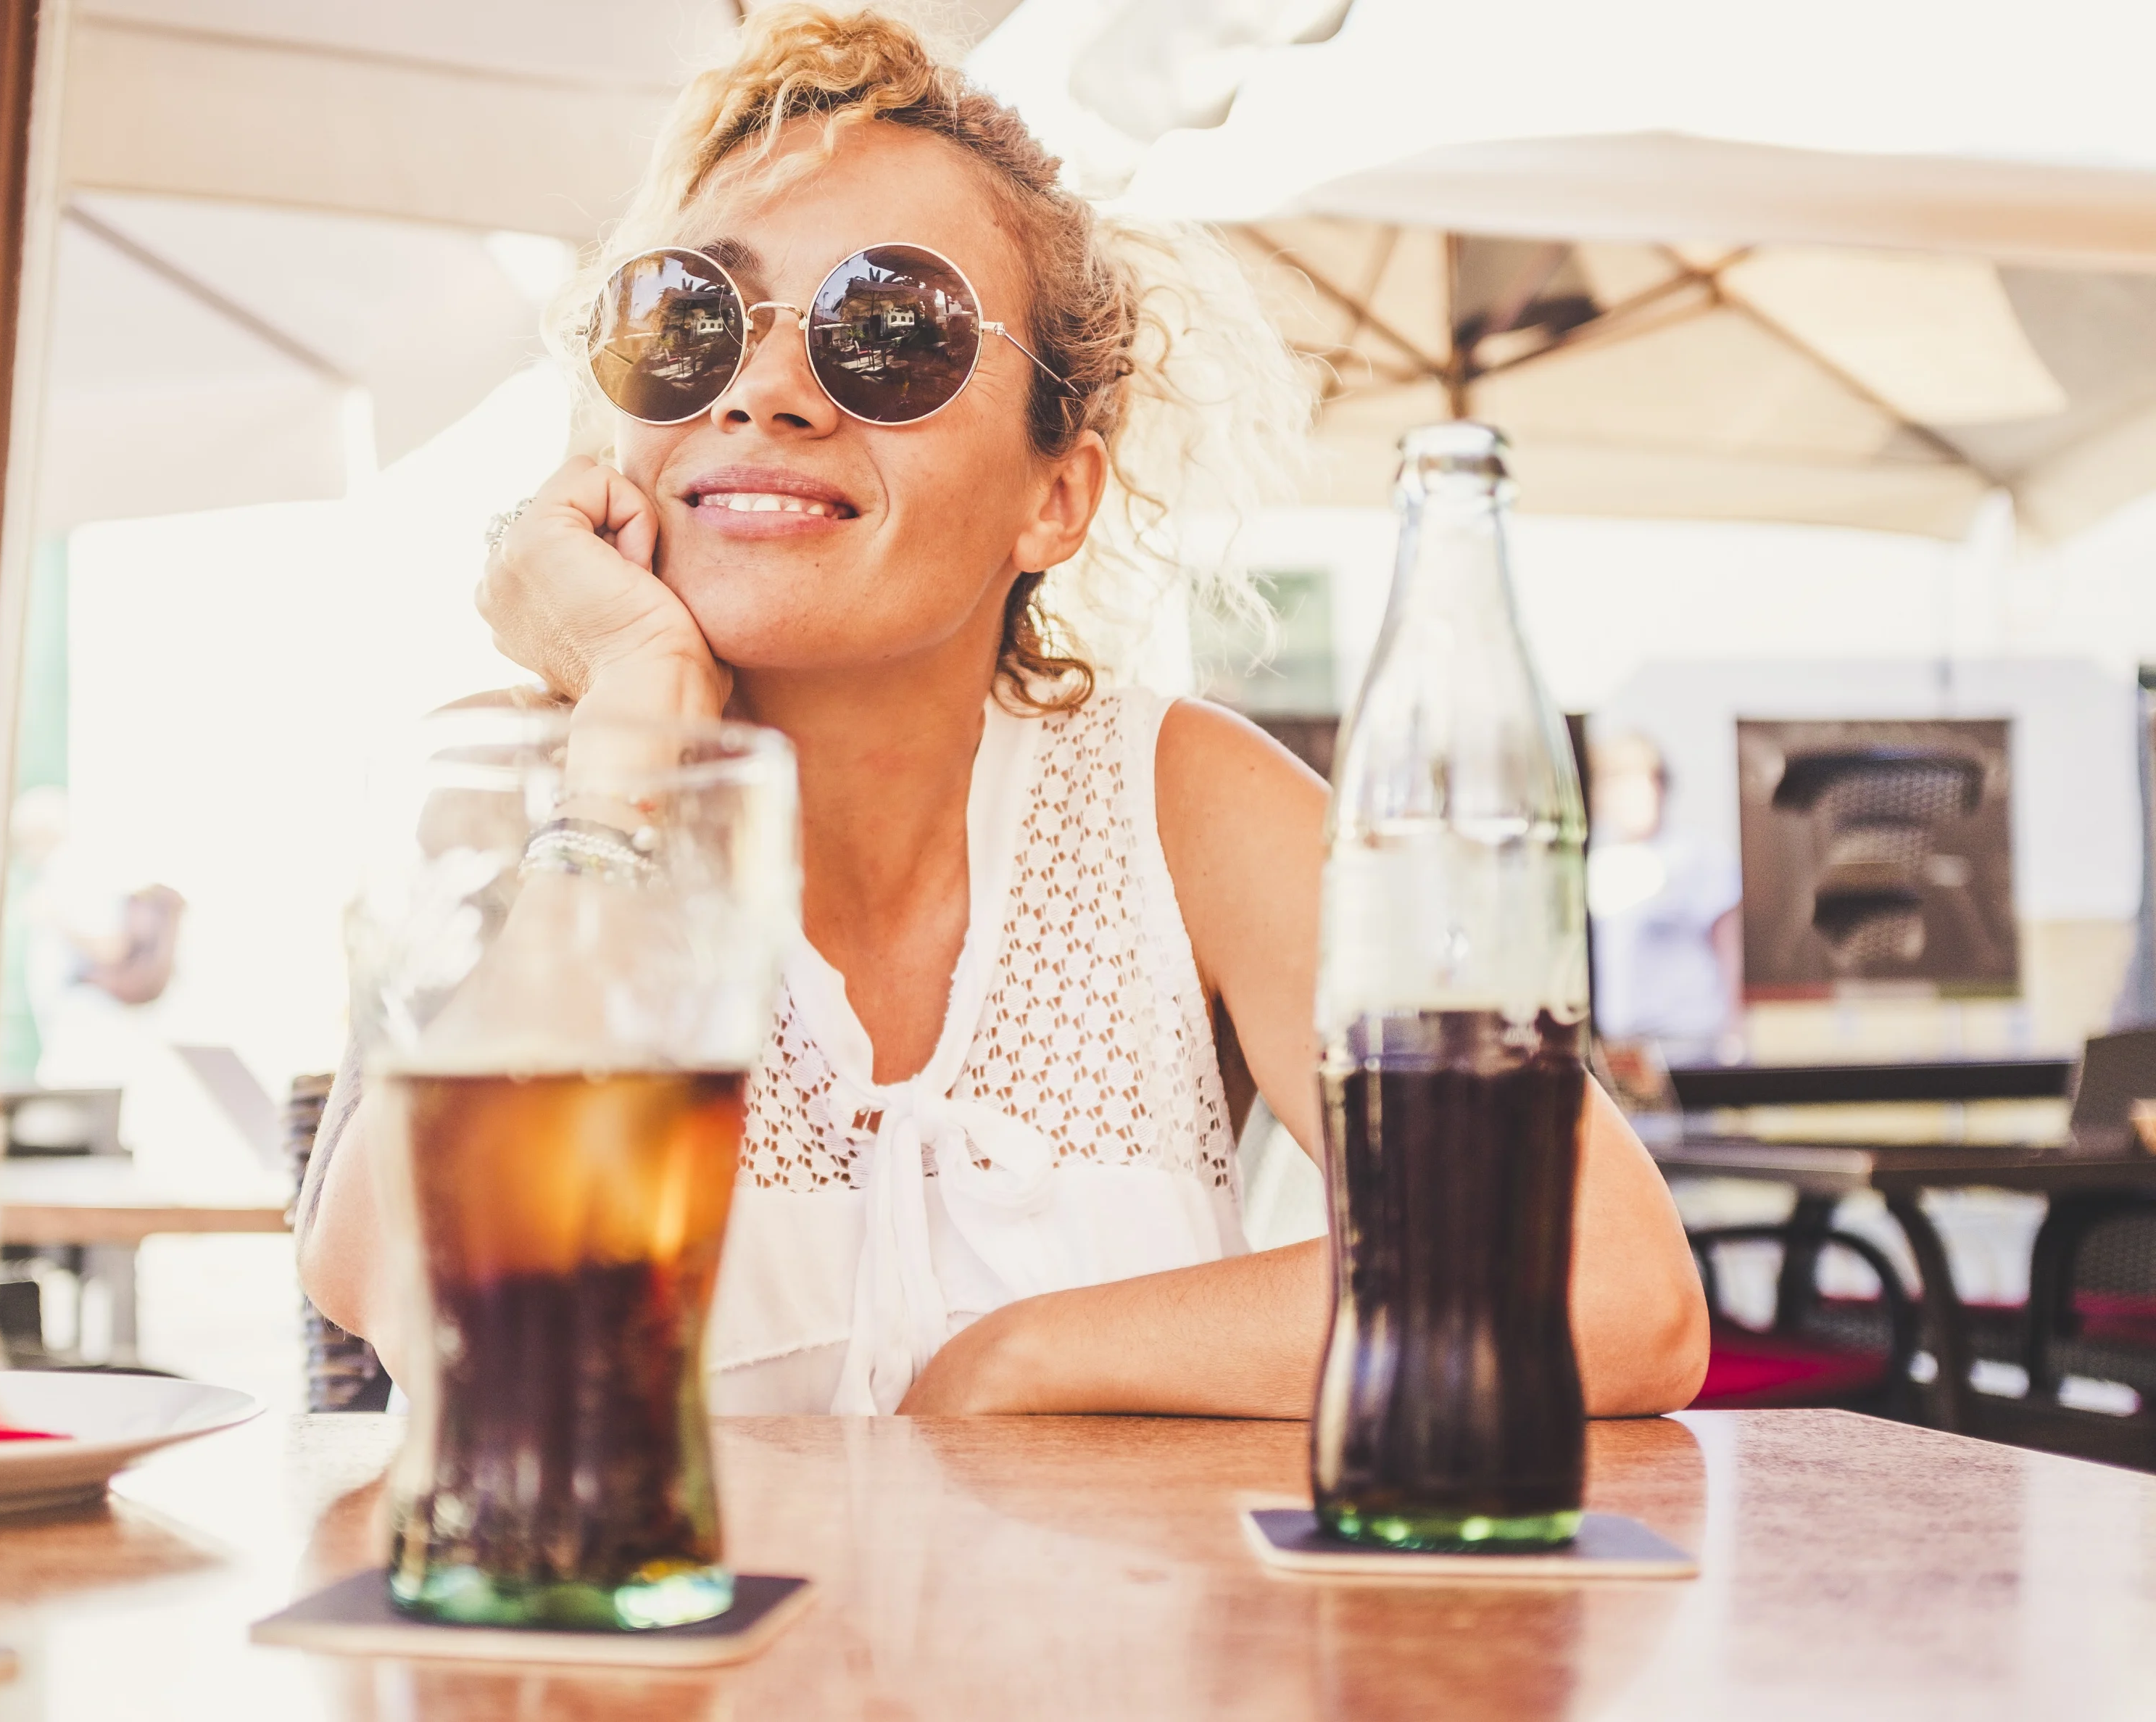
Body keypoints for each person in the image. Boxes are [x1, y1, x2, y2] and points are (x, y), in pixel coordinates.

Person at [301, 4, 1707, 1417]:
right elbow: (415, 1290)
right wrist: (638, 732)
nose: (765, 390)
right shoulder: (510, 783)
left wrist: (1025, 1360)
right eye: (692, 317)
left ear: (1058, 496)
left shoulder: (1180, 805)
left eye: (889, 329)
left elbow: (1611, 1285)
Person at [1587, 732, 1744, 1064]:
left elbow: (1729, 949)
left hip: (1688, 1042)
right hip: (1621, 1047)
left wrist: (1735, 1032)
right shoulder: (1597, 866)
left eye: (1647, 783)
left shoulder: (1701, 857)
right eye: (1622, 784)